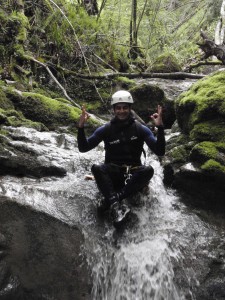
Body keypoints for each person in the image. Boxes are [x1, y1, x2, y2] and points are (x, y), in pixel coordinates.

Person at [77, 90, 165, 226]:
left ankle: (111, 201)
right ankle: (116, 204)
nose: (121, 111)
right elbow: (84, 148)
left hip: (133, 175)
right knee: (96, 168)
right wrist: (81, 127)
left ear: (130, 109)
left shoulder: (141, 129)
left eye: (125, 107)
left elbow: (160, 150)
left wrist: (160, 127)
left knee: (148, 170)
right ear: (114, 110)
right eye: (118, 108)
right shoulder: (105, 129)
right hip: (113, 175)